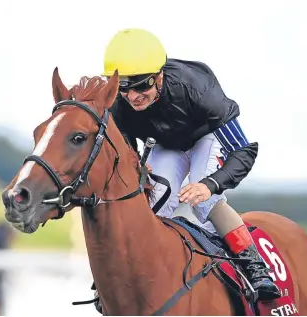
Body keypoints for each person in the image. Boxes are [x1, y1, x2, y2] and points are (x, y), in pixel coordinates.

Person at [102, 28, 281, 300]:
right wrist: (136, 165)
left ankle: (254, 265)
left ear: (160, 75)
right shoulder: (119, 102)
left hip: (205, 139)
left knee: (203, 202)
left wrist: (210, 185)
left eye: (142, 85)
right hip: (166, 145)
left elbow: (243, 150)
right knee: (155, 202)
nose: (133, 95)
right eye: (124, 87)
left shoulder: (197, 88)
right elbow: (126, 147)